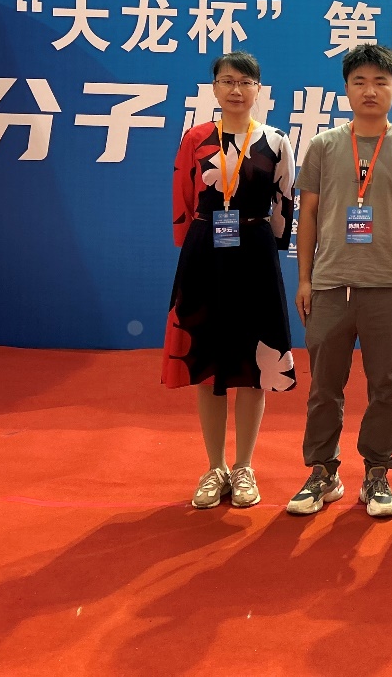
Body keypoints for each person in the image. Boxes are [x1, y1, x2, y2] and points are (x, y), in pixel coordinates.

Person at [287, 44, 392, 518]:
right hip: (330, 286)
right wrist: (305, 279)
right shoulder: (324, 146)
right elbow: (308, 216)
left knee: (386, 387)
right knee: (323, 387)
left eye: (380, 82)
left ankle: (376, 473)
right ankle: (323, 472)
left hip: (388, 288)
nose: (370, 90)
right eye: (360, 82)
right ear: (346, 89)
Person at [161, 52, 296, 510]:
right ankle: (214, 466)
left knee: (255, 366)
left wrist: (270, 249)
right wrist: (191, 245)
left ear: (259, 89)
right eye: (227, 81)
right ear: (215, 88)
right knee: (208, 362)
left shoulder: (276, 141)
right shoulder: (196, 138)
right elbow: (183, 196)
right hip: (205, 256)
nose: (236, 90)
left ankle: (243, 467)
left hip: (255, 255)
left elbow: (284, 203)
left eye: (245, 82)